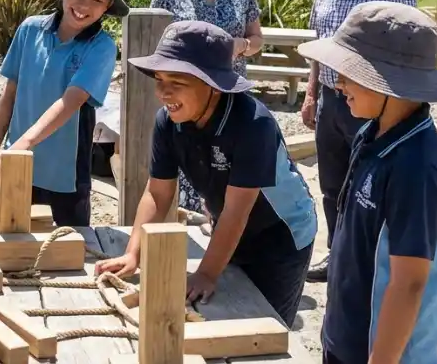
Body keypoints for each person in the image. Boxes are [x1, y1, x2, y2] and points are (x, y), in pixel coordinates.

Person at [95, 20, 316, 328]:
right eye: (159, 79)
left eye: (177, 82)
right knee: (217, 316)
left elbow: (237, 211)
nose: (163, 92)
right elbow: (157, 194)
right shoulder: (168, 122)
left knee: (264, 328)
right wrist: (134, 253)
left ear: (213, 84)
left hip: (280, 237)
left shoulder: (254, 125)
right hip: (226, 228)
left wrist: (207, 273)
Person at [297, 1, 437, 364]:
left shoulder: (416, 167)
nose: (338, 84)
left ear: (388, 81)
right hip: (349, 339)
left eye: (348, 73)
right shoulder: (371, 134)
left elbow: (409, 283)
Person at [302, 0, 417, 282]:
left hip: (372, 107)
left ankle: (369, 266)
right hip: (332, 101)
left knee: (369, 189)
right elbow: (321, 40)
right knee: (333, 186)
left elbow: (404, 55)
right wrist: (312, 94)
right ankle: (339, 258)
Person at [0, 0, 126, 227]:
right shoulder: (29, 30)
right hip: (16, 162)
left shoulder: (102, 47)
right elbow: (9, 94)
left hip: (65, 174)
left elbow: (71, 102)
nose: (84, 6)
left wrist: (24, 143)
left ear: (108, 5)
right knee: (13, 244)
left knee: (65, 250)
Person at [151, 0, 264, 226]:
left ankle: (227, 255)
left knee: (230, 177)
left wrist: (239, 46)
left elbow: (257, 39)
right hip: (187, 102)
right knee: (190, 178)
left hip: (230, 100)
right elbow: (157, 44)